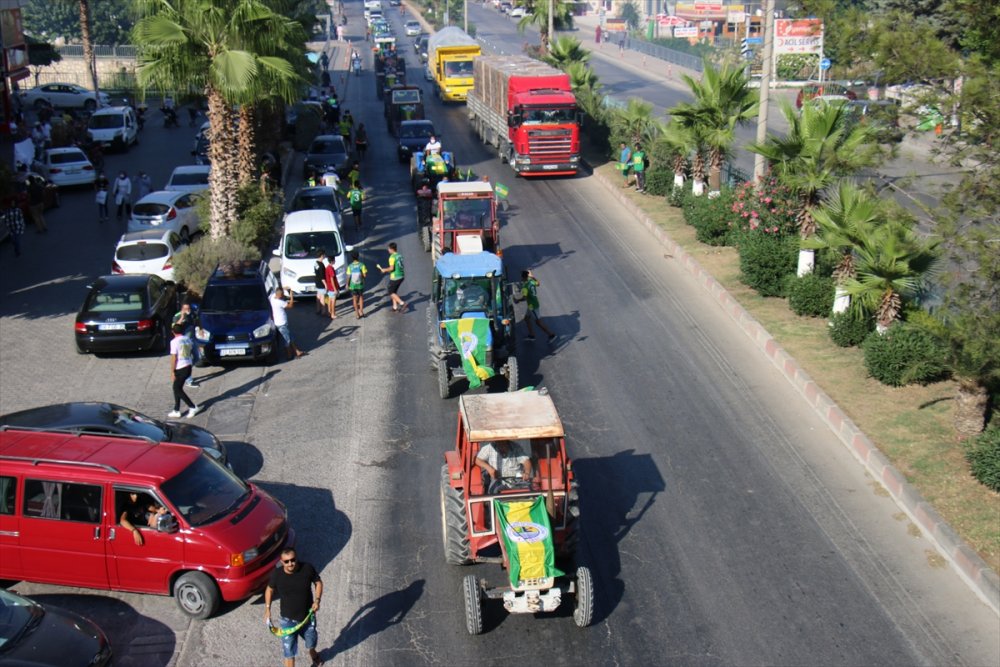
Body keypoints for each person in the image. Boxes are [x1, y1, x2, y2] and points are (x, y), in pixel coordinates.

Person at [264, 548, 323, 667]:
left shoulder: (307, 568)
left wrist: (317, 600)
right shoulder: (277, 575)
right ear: (281, 561)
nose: (290, 563)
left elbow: (318, 582)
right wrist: (267, 608)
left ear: (296, 558)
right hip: (287, 621)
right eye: (286, 561)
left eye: (293, 560)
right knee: (289, 654)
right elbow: (269, 589)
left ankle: (312, 652)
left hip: (307, 618)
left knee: (311, 642)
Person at [168, 323, 203, 419]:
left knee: (177, 389)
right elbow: (191, 350)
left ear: (173, 332)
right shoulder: (187, 339)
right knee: (176, 387)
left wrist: (172, 371)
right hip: (188, 365)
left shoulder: (174, 342)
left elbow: (173, 357)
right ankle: (176, 410)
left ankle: (192, 406)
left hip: (180, 367)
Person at [519, 269, 555, 342]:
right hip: (531, 305)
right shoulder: (531, 281)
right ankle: (532, 335)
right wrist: (533, 277)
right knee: (526, 319)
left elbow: (524, 298)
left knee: (538, 322)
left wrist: (517, 300)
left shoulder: (525, 287)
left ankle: (551, 335)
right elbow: (538, 283)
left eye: (521, 277)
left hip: (533, 306)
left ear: (523, 278)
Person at [270, 288, 306, 360]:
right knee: (287, 340)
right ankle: (289, 356)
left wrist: (284, 288)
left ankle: (297, 351)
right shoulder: (280, 302)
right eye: (282, 295)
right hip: (282, 323)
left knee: (290, 336)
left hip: (279, 322)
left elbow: (277, 290)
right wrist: (291, 296)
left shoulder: (272, 297)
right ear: (280, 296)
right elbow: (290, 305)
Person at [172, 299, 201, 386]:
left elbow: (197, 320)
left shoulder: (191, 314)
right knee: (187, 360)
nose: (187, 310)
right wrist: (182, 317)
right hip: (183, 342)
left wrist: (201, 328)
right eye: (185, 309)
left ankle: (183, 373)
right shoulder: (177, 316)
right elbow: (175, 327)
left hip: (192, 339)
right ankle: (188, 380)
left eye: (188, 308)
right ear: (182, 308)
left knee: (197, 357)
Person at [376, 242, 407, 312]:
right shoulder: (399, 255)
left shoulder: (392, 257)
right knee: (394, 291)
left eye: (389, 249)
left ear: (392, 249)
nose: (388, 250)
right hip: (401, 275)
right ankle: (395, 307)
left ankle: (402, 303)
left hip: (395, 277)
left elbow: (391, 268)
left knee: (390, 291)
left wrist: (384, 270)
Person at [345, 250, 367, 318]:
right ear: (358, 256)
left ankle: (357, 314)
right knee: (361, 297)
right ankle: (361, 311)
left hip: (353, 285)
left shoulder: (350, 266)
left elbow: (348, 276)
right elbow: (365, 275)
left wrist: (347, 284)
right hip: (360, 284)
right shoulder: (361, 265)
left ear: (352, 257)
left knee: (354, 299)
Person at [324, 255, 341, 319]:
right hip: (332, 287)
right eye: (334, 260)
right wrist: (335, 289)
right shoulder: (331, 269)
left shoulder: (327, 268)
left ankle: (329, 312)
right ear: (332, 261)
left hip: (329, 287)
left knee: (330, 301)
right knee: (333, 301)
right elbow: (332, 279)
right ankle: (333, 314)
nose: (335, 261)